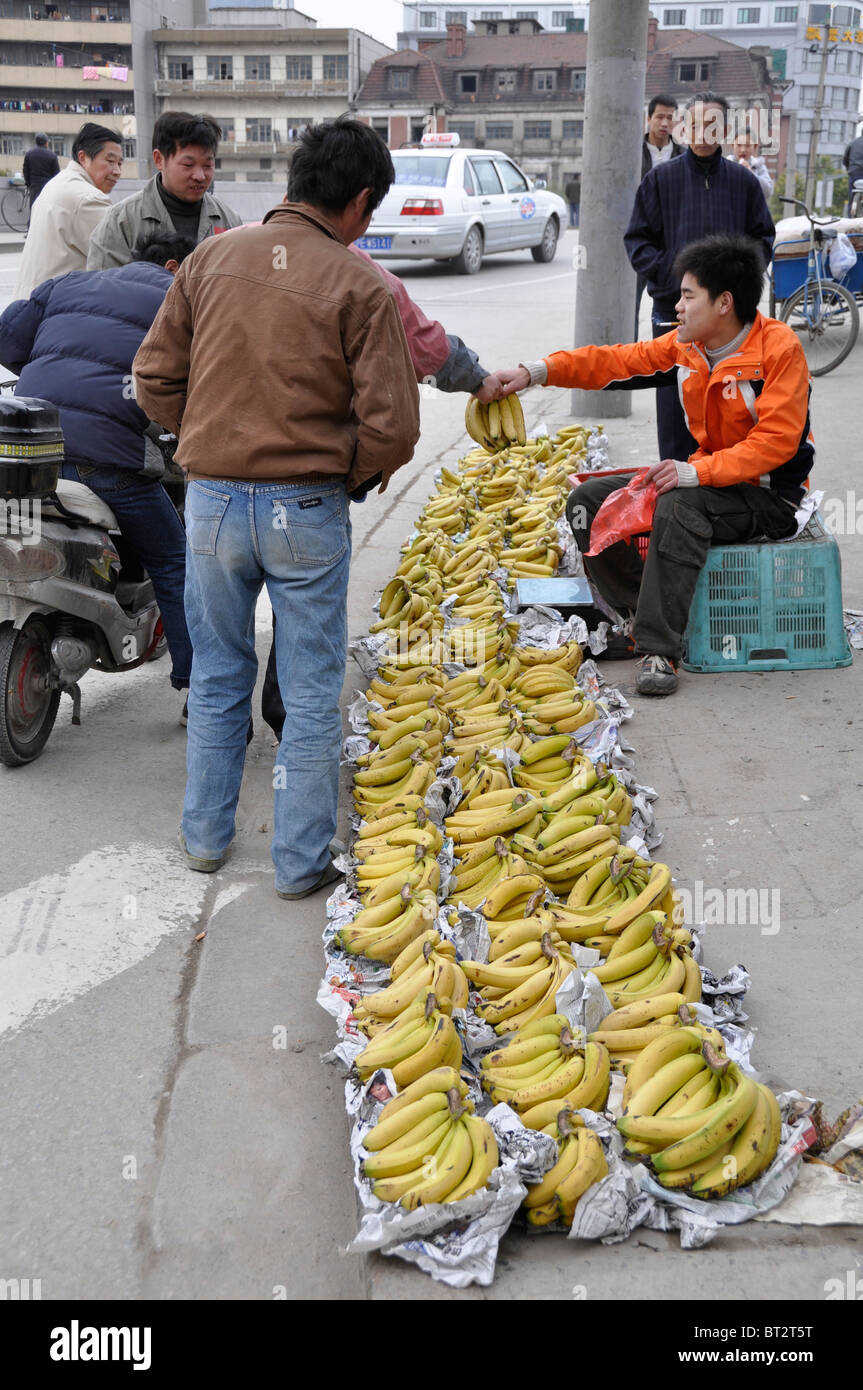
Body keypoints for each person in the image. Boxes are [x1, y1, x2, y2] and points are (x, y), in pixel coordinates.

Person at [133, 118, 420, 900]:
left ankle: (203, 839)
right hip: (307, 506)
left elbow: (152, 378)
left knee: (220, 675)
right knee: (306, 686)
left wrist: (203, 437)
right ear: (359, 201)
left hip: (213, 502)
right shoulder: (360, 283)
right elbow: (393, 428)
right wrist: (345, 476)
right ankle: (298, 864)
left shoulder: (211, 259)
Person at [490, 235, 810, 697]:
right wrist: (536, 372)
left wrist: (693, 473)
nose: (676, 306)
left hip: (768, 496)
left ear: (724, 303)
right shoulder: (687, 347)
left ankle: (661, 650)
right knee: (586, 502)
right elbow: (614, 362)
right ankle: (638, 616)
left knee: (677, 505)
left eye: (687, 296)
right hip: (709, 479)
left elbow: (776, 443)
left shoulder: (779, 351)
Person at [260, 233, 505, 741]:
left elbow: (156, 370)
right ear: (357, 203)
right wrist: (359, 473)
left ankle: (215, 732)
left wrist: (202, 449)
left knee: (222, 641)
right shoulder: (356, 270)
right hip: (307, 481)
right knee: (302, 617)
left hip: (217, 484)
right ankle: (292, 731)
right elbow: (420, 351)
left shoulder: (226, 251)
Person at [0, 232, 197, 697]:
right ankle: (198, 685)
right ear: (175, 266)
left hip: (28, 458)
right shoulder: (180, 298)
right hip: (103, 463)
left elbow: (8, 341)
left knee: (13, 535)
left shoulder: (68, 283)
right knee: (175, 561)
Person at [625, 92, 774, 463]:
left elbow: (763, 239)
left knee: (733, 400)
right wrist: (668, 279)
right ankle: (676, 488)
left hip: (729, 316)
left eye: (712, 124)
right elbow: (638, 239)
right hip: (675, 312)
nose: (702, 132)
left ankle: (725, 482)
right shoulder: (661, 180)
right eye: (694, 123)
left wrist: (738, 287)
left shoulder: (744, 183)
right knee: (676, 405)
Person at [87, 111, 242, 270]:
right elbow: (102, 287)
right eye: (188, 165)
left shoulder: (229, 221)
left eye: (207, 165)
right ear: (159, 160)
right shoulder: (121, 222)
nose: (200, 176)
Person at [14, 122, 122, 299]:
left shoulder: (56, 184)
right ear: (83, 157)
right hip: (53, 313)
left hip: (27, 305)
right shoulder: (88, 199)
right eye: (110, 161)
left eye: (119, 163)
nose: (117, 171)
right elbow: (121, 261)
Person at [634, 95, 683, 337]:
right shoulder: (632, 154)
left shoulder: (684, 157)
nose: (665, 123)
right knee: (628, 307)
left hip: (672, 244)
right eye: (660, 117)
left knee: (670, 315)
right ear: (649, 118)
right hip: (640, 241)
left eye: (670, 118)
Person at [728, 132, 773, 200]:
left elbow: (768, 192)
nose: (743, 150)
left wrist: (750, 173)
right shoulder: (725, 165)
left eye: (747, 145)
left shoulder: (759, 166)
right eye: (739, 145)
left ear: (755, 146)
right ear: (732, 145)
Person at [22, 133, 60, 211]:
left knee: (34, 210)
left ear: (36, 142)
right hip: (48, 187)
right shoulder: (52, 155)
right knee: (46, 210)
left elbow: (26, 171)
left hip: (34, 186)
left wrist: (29, 184)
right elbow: (56, 174)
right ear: (46, 143)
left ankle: (31, 223)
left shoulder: (29, 154)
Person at [842, 128, 863, 211]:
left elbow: (845, 160)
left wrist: (849, 169)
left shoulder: (852, 143)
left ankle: (851, 217)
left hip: (854, 173)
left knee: (851, 195)